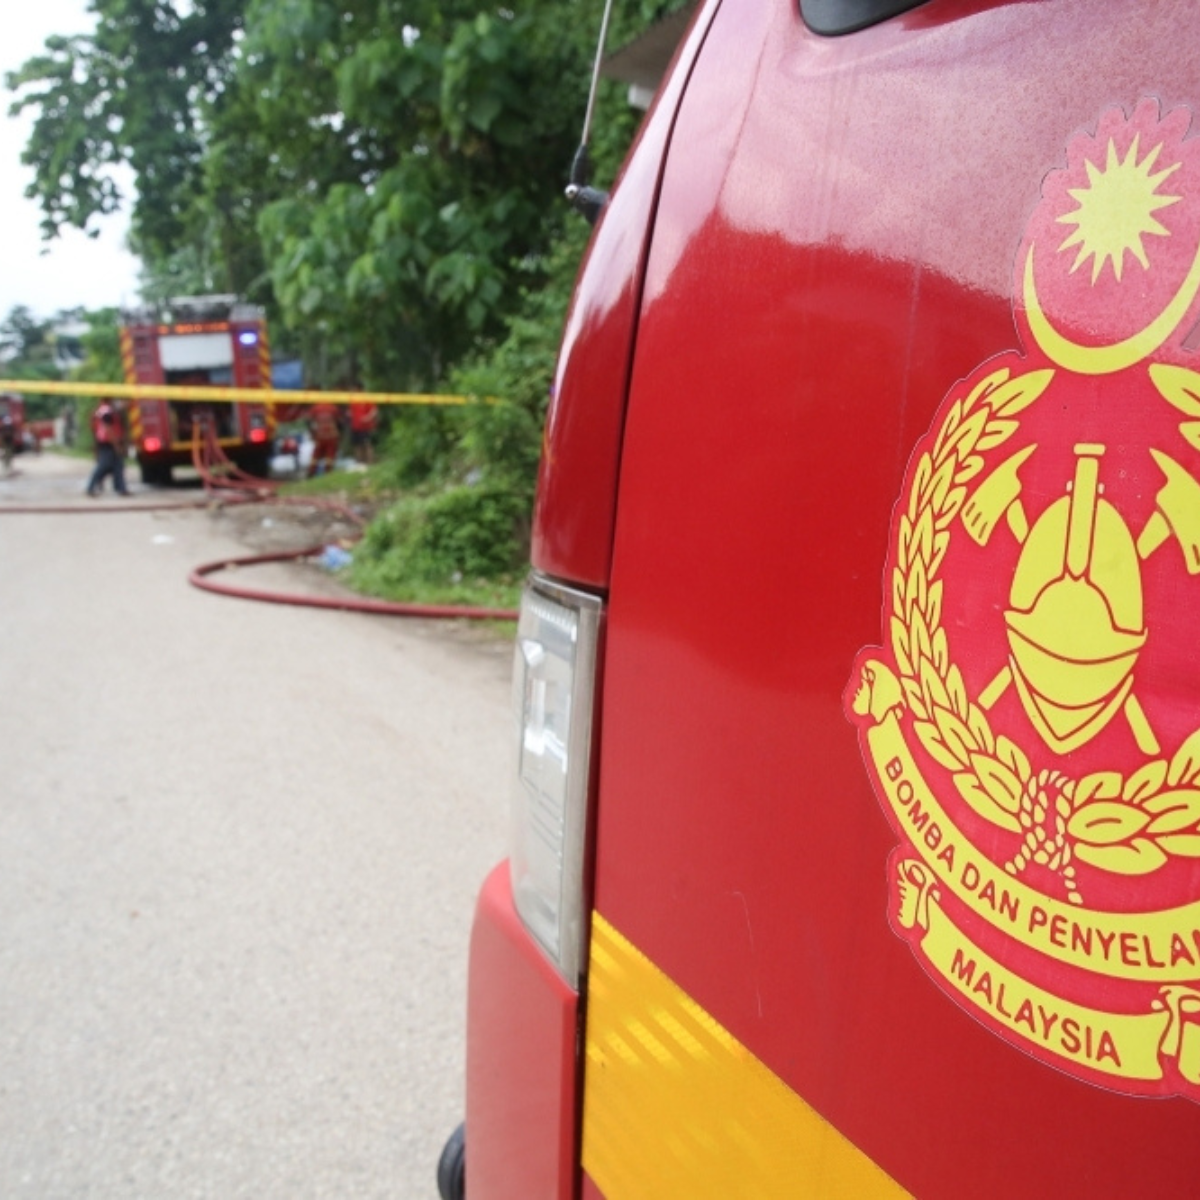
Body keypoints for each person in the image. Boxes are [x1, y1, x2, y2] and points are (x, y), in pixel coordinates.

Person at [86, 399, 131, 496]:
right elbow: (108, 429)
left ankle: (121, 489)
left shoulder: (102, 410)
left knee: (118, 467)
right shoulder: (107, 411)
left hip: (107, 442)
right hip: (108, 443)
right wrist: (116, 445)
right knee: (103, 467)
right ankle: (91, 487)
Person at [307, 400, 342, 478]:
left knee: (316, 454)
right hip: (332, 435)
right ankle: (328, 473)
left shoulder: (315, 408)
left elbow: (309, 421)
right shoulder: (334, 408)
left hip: (320, 435)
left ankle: (311, 472)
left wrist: (312, 434)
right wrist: (339, 433)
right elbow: (339, 422)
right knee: (330, 454)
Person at [348, 397, 379, 464]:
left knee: (367, 444)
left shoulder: (367, 399)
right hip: (355, 426)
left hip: (365, 427)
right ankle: (359, 462)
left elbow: (374, 411)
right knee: (357, 445)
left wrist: (368, 418)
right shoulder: (353, 400)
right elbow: (351, 412)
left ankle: (370, 462)